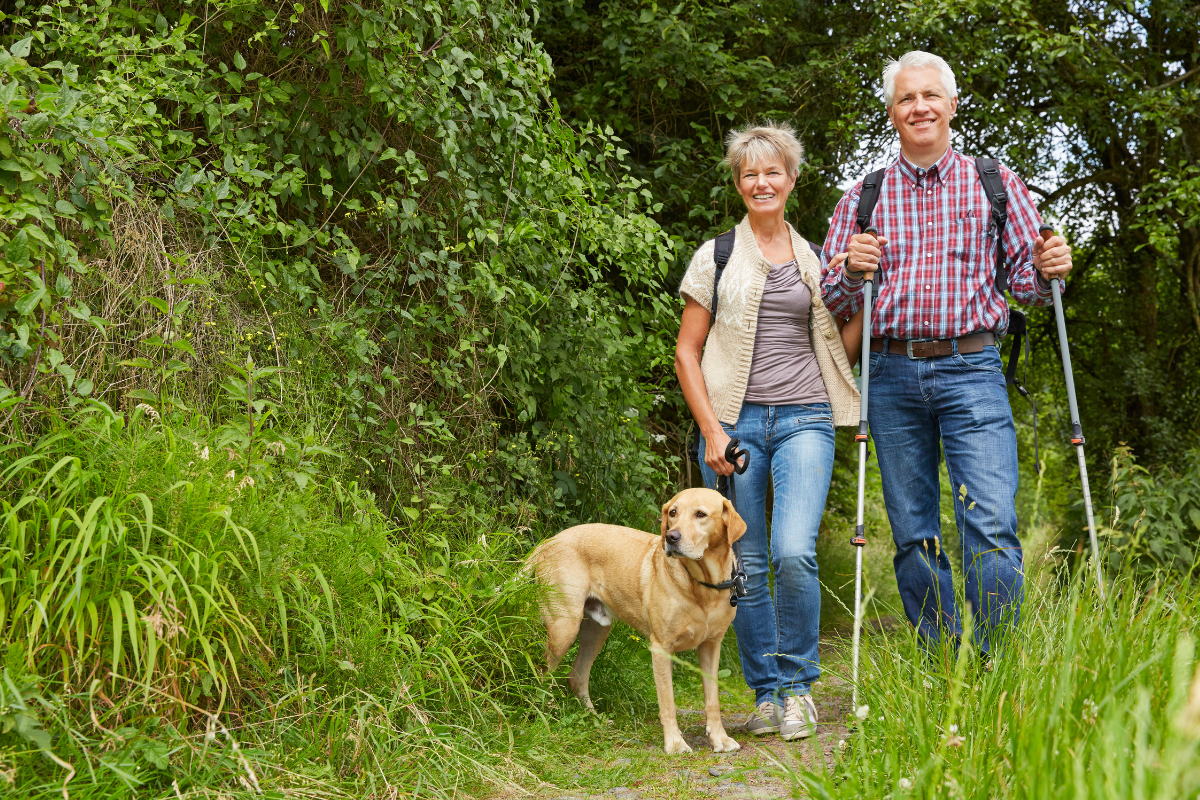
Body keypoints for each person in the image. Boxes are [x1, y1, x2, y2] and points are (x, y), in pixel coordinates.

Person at [821, 51, 1074, 654]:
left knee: (989, 524)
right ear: (892, 114)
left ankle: (994, 663)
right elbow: (830, 298)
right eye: (907, 99)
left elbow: (1029, 285)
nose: (920, 108)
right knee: (912, 532)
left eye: (930, 96)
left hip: (973, 367)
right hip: (889, 370)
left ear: (952, 105)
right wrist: (853, 273)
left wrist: (1049, 269)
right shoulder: (863, 196)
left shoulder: (996, 183)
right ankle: (939, 657)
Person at [675, 122, 860, 740]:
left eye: (772, 171)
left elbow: (839, 348)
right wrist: (710, 431)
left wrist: (869, 296)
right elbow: (686, 351)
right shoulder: (716, 255)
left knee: (792, 550)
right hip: (734, 423)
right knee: (744, 559)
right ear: (738, 182)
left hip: (806, 415)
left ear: (792, 178)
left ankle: (801, 688)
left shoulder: (818, 259)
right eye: (749, 173)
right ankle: (766, 694)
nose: (761, 182)